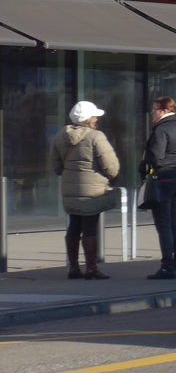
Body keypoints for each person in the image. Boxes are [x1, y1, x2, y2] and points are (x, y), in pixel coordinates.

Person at [51, 100, 120, 280]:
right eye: (94, 116)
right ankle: (91, 267)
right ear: (88, 118)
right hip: (93, 190)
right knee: (90, 226)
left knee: (74, 225)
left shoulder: (60, 135)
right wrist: (111, 176)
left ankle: (73, 267)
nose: (96, 119)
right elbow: (111, 166)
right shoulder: (96, 137)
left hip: (70, 189)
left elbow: (56, 167)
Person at [141, 96, 176, 280]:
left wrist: (146, 167)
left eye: (154, 109)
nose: (152, 112)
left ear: (162, 110)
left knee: (164, 225)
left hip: (163, 178)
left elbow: (156, 156)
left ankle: (167, 266)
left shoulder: (161, 129)